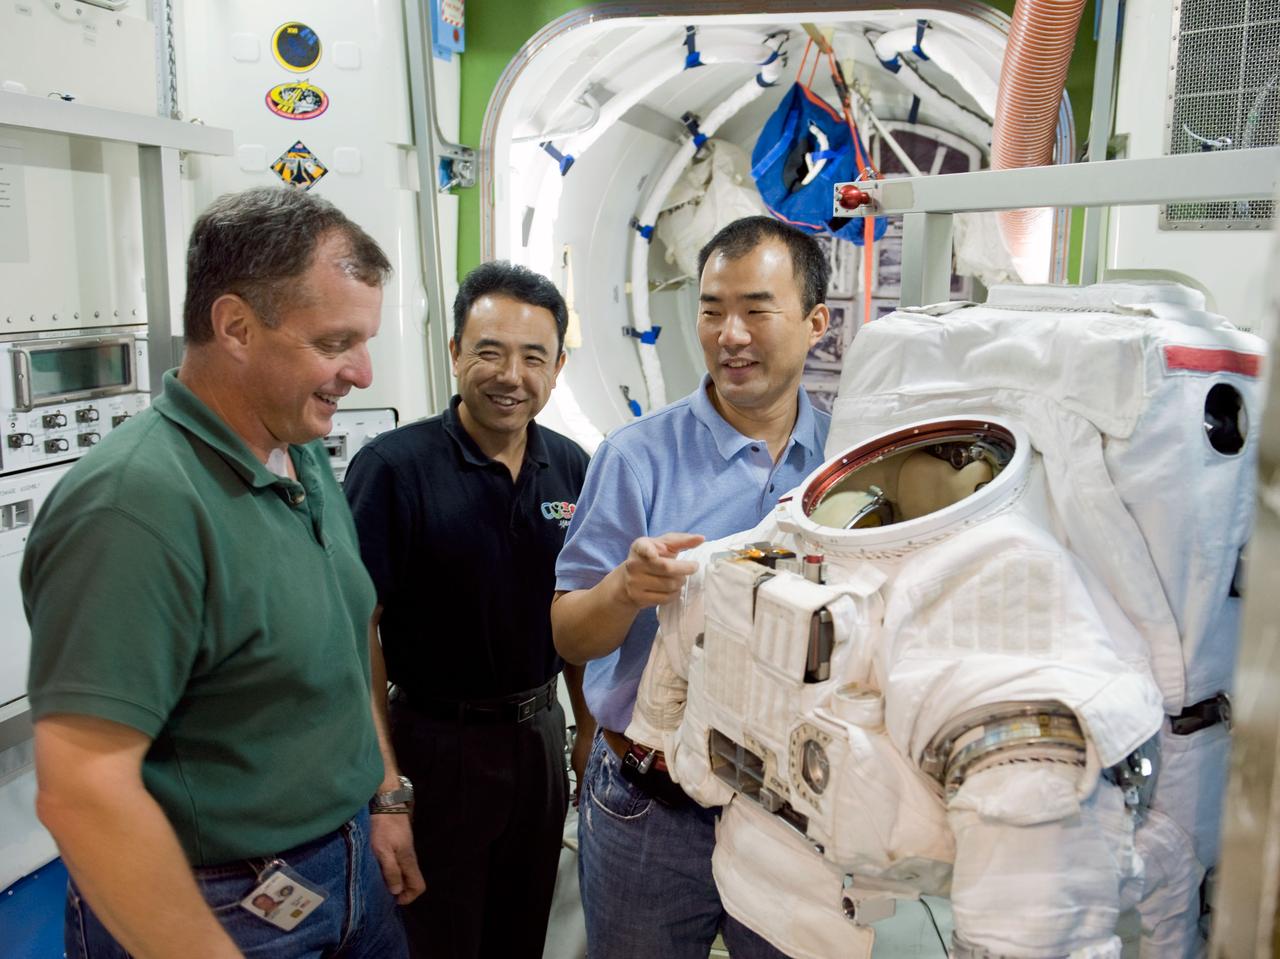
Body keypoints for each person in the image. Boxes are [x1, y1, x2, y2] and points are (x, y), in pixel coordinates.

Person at [23, 186, 421, 959]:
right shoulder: (132, 507)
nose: (363, 373)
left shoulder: (298, 450)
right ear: (236, 326)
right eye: (336, 342)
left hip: (348, 868)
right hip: (218, 903)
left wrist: (385, 795)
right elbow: (83, 791)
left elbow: (344, 651)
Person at [552, 215, 832, 958]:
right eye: (711, 311)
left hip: (795, 813)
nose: (729, 335)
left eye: (755, 310)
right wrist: (626, 587)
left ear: (816, 323)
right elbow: (570, 634)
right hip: (652, 810)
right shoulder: (635, 457)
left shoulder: (846, 463)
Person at [343, 260, 593, 959]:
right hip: (432, 745)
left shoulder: (572, 466)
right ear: (455, 353)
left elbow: (580, 607)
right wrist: (386, 789)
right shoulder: (394, 468)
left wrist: (587, 728)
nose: (511, 375)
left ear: (557, 367)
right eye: (490, 351)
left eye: (533, 357)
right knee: (434, 939)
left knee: (522, 934)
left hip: (539, 738)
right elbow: (356, 631)